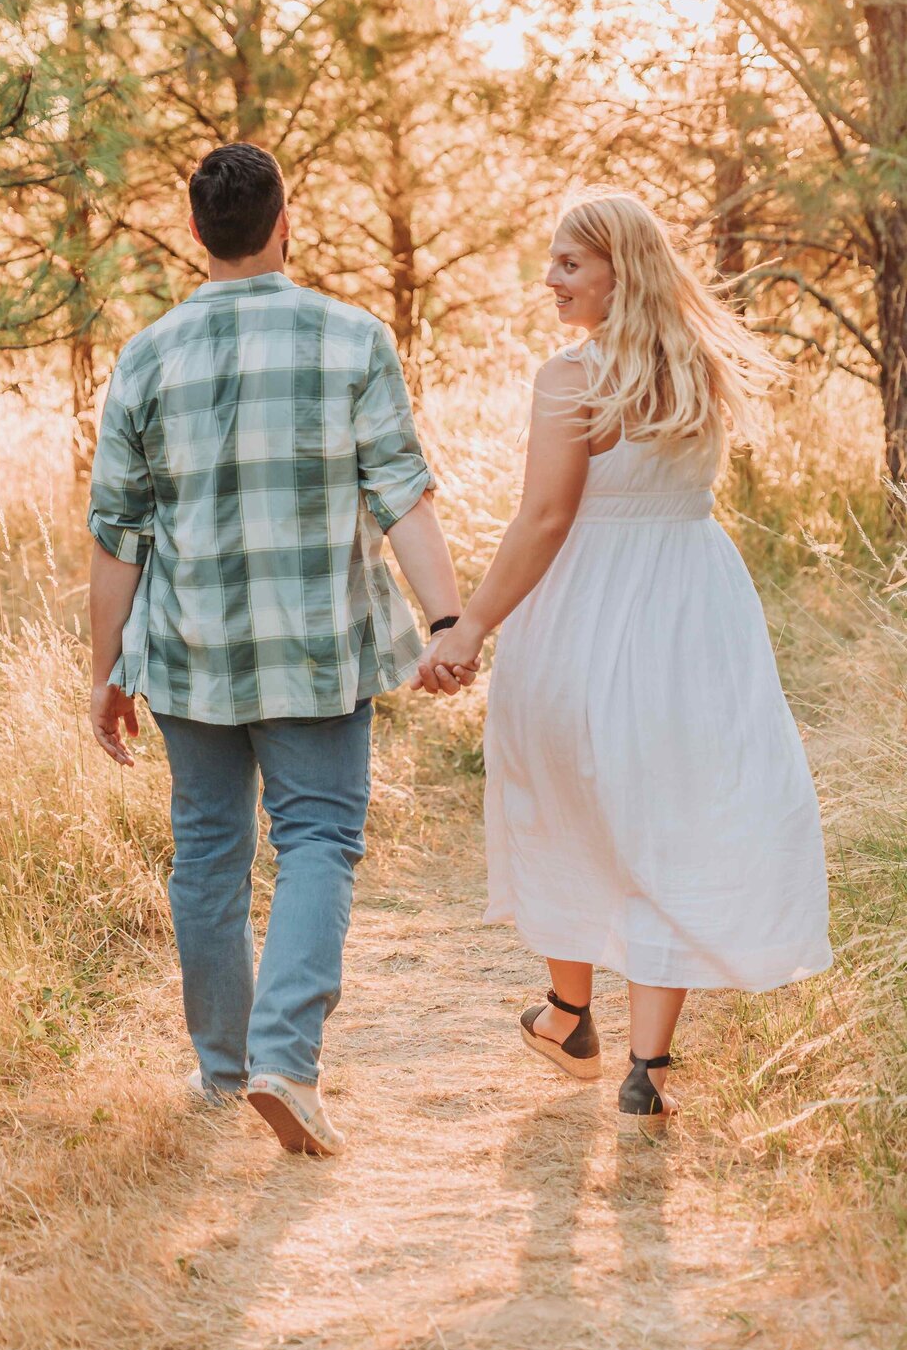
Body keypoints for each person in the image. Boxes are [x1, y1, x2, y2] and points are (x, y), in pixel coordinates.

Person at [414, 192, 832, 1136]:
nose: (551, 279)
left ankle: (568, 1016)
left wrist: (470, 624)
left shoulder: (573, 378)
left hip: (587, 611)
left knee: (564, 799)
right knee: (671, 814)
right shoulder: (697, 367)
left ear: (618, 270)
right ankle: (644, 1066)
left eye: (569, 263)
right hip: (694, 613)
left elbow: (547, 518)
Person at [87, 142, 473, 1156]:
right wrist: (445, 621)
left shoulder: (147, 355)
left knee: (209, 852)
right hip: (313, 646)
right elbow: (402, 494)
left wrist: (107, 669)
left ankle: (224, 1074)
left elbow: (117, 536)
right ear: (284, 220)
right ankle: (284, 1061)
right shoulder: (351, 339)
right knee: (317, 842)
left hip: (189, 651)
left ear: (196, 231)